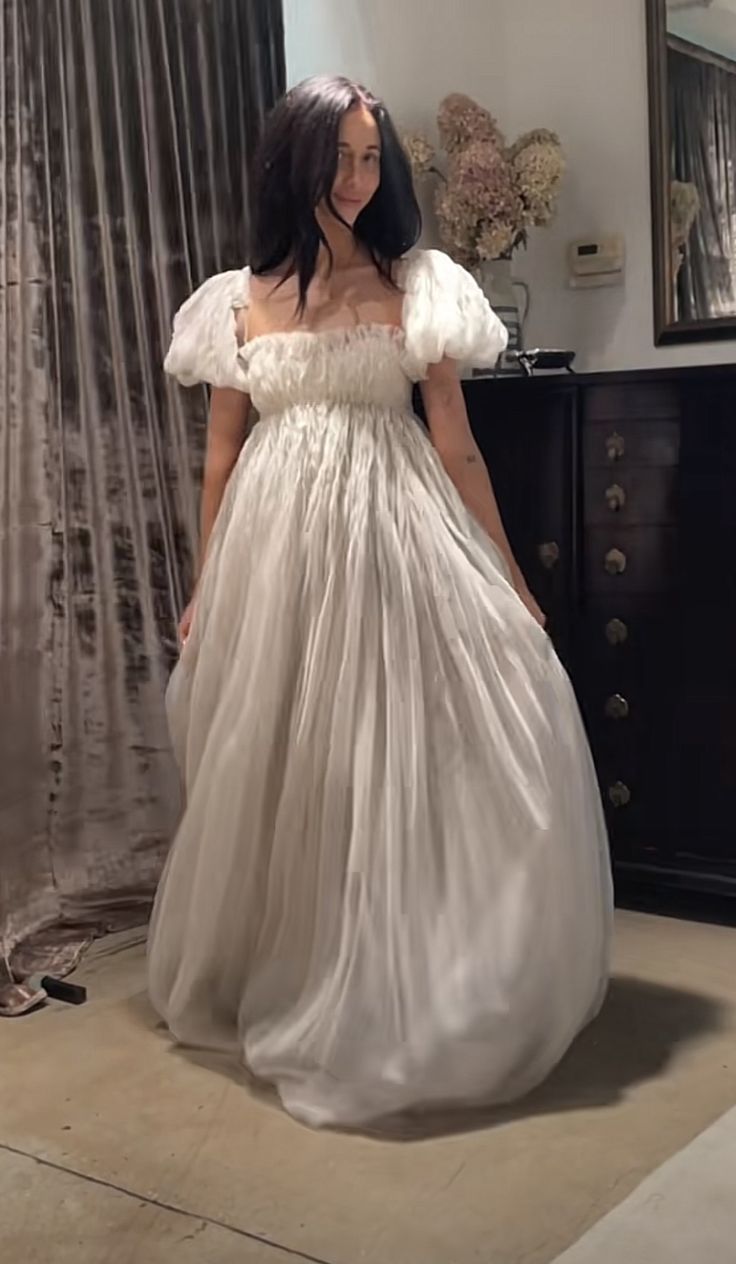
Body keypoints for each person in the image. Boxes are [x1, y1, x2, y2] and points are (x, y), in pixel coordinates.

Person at [148, 75, 613, 1130]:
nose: (359, 179)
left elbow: (453, 441)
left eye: (371, 159)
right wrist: (204, 585)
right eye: (342, 157)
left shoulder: (418, 281)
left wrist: (506, 569)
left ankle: (421, 968)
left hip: (395, 529)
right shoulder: (239, 297)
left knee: (415, 738)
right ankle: (301, 956)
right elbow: (220, 456)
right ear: (294, 160)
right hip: (277, 549)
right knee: (296, 755)